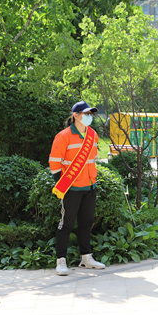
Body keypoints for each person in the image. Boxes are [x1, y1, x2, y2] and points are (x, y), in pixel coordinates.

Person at [49, 101, 105, 276]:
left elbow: (92, 160)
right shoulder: (63, 136)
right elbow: (54, 163)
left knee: (86, 224)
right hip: (71, 187)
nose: (89, 117)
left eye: (91, 114)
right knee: (66, 224)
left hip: (90, 185)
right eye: (86, 114)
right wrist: (61, 186)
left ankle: (86, 258)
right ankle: (61, 261)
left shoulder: (93, 135)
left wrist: (92, 181)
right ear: (76, 115)